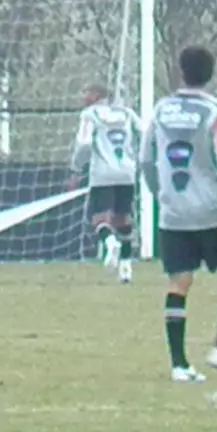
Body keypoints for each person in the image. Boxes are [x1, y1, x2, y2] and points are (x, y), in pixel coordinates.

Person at [151, 46, 217, 383]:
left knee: (179, 282)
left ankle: (180, 365)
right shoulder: (214, 111)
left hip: (173, 213)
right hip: (213, 212)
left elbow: (144, 158)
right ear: (210, 75)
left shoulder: (161, 110)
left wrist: (160, 194)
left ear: (181, 72)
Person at [69, 83, 145, 285]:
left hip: (102, 173)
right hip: (127, 172)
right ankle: (126, 268)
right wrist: (140, 159)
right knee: (123, 219)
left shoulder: (89, 115)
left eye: (86, 92)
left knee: (99, 219)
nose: (83, 96)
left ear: (96, 95)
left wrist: (76, 168)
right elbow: (145, 132)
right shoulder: (126, 113)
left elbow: (84, 144)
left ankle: (110, 243)